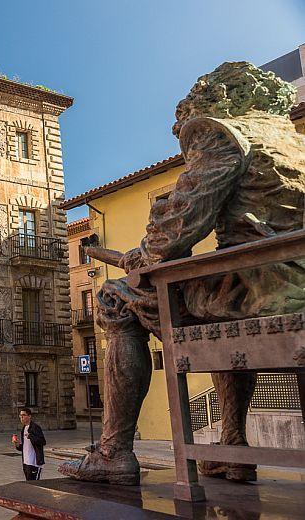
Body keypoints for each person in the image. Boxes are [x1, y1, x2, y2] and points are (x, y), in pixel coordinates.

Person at [59, 62, 305, 486]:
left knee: (114, 298)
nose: (180, 130)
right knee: (211, 305)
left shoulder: (220, 132)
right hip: (286, 284)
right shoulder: (291, 140)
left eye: (183, 117)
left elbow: (176, 229)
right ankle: (232, 441)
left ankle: (114, 452)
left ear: (217, 98)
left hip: (261, 290)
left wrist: (143, 256)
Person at [13, 408, 46, 481]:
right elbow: (25, 447)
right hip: (26, 462)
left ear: (29, 416)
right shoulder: (24, 428)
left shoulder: (35, 427)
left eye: (24, 415)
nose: (21, 417)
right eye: (20, 415)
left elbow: (42, 442)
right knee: (29, 483)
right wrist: (17, 445)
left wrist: (31, 436)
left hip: (34, 462)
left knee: (35, 484)